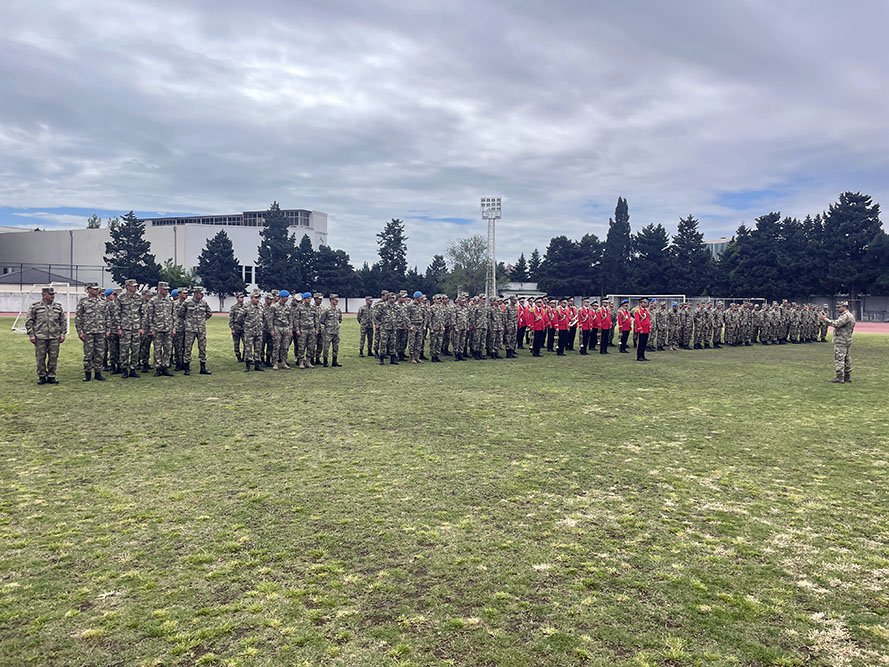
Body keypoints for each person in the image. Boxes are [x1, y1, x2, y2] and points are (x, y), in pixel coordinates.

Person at [26, 286, 67, 385]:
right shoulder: (35, 307)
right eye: (50, 294)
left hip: (54, 337)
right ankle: (42, 376)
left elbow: (63, 321)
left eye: (53, 294)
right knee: (40, 357)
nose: (52, 296)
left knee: (53, 357)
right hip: (40, 336)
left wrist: (62, 334)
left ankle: (51, 376)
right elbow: (29, 321)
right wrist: (31, 334)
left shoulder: (57, 307)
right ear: (44, 295)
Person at [75, 282, 108, 381]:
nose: (96, 290)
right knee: (88, 353)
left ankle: (98, 373)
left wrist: (108, 330)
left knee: (100, 353)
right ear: (88, 290)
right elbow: (78, 317)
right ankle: (88, 373)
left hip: (100, 331)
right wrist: (79, 331)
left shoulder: (103, 302)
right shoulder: (83, 302)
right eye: (94, 289)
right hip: (88, 331)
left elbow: (107, 317)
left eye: (97, 289)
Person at [143, 281, 176, 376]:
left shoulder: (170, 301)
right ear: (160, 289)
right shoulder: (153, 301)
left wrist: (173, 328)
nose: (166, 291)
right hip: (157, 329)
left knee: (167, 349)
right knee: (157, 349)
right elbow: (149, 316)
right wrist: (152, 329)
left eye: (167, 290)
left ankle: (165, 366)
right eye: (165, 289)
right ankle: (157, 368)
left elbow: (173, 315)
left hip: (168, 328)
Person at [179, 285, 213, 375]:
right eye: (200, 293)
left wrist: (202, 320)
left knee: (202, 348)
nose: (202, 295)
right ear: (196, 293)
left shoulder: (204, 303)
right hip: (190, 329)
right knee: (188, 348)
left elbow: (209, 313)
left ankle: (203, 367)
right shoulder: (187, 302)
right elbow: (181, 313)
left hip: (201, 329)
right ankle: (186, 368)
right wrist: (188, 321)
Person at [819, 301, 856, 383]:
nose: (838, 309)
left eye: (839, 307)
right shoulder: (850, 315)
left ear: (844, 307)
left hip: (841, 340)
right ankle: (847, 376)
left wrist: (825, 319)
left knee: (839, 358)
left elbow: (836, 324)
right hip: (847, 339)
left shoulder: (845, 316)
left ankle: (840, 377)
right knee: (847, 358)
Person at [116, 278, 144, 378]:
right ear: (127, 286)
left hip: (136, 327)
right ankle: (124, 369)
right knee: (124, 350)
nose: (135, 288)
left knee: (135, 350)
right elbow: (117, 313)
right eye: (133, 286)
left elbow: (142, 313)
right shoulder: (121, 297)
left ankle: (133, 369)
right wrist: (119, 328)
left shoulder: (139, 297)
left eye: (136, 286)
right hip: (125, 328)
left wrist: (142, 327)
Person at [240, 290, 266, 372]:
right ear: (251, 298)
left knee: (258, 348)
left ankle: (257, 364)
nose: (257, 299)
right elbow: (240, 318)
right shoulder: (246, 306)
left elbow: (264, 317)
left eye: (258, 298)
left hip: (259, 331)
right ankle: (247, 365)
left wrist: (261, 325)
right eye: (255, 298)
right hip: (249, 331)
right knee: (248, 349)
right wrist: (247, 325)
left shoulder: (261, 306)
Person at [320, 294, 343, 367]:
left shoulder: (338, 310)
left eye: (337, 300)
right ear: (331, 300)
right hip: (328, 332)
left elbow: (340, 319)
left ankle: (334, 361)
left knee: (336, 347)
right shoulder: (326, 310)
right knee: (326, 347)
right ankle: (325, 361)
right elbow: (322, 320)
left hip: (336, 331)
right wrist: (327, 326)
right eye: (335, 300)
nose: (336, 301)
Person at [229, 291, 246, 361]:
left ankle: (245, 357)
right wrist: (232, 329)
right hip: (236, 328)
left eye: (243, 297)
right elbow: (231, 319)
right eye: (241, 297)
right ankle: (238, 356)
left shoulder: (246, 307)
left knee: (246, 344)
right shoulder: (233, 308)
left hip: (244, 328)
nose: (242, 299)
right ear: (237, 298)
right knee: (236, 344)